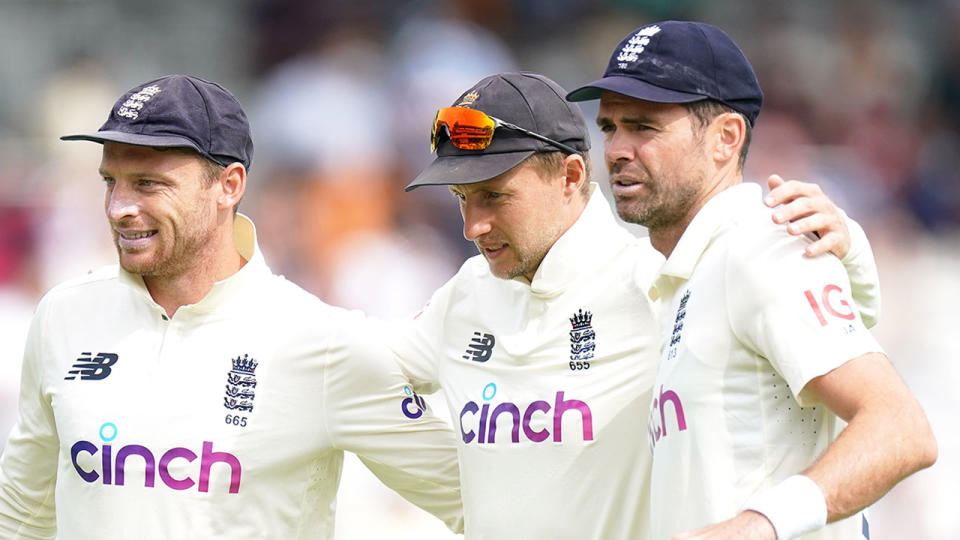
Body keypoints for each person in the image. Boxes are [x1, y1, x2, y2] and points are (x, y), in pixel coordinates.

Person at [389, 71, 878, 539]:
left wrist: (849, 252)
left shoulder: (655, 281)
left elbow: (848, 371)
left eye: (495, 196)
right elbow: (358, 374)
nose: (472, 226)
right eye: (461, 198)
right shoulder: (464, 293)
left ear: (571, 175)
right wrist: (468, 498)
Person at [0, 74, 463, 539]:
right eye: (110, 181)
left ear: (229, 185)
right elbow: (22, 513)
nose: (119, 207)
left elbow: (477, 502)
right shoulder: (64, 315)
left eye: (147, 184)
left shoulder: (319, 341)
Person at [566, 20, 937, 539]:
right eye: (609, 127)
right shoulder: (675, 274)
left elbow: (901, 429)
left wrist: (757, 526)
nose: (617, 149)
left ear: (725, 138)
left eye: (644, 126)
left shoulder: (759, 248)